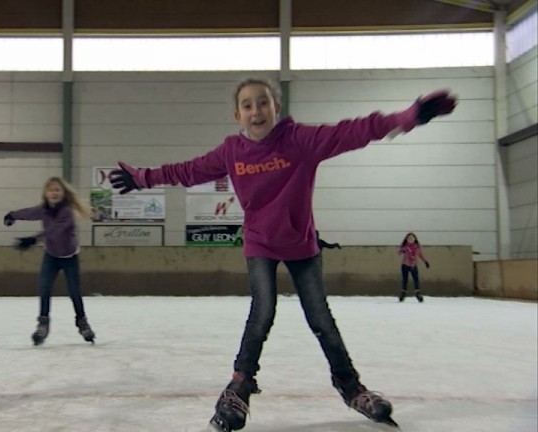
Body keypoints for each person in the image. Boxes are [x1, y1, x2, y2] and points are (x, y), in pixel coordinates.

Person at [110, 78, 456, 431]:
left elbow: (352, 131)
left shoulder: (299, 141)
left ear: (276, 107)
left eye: (263, 102)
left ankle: (351, 388)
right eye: (247, 105)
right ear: (237, 115)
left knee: (320, 319)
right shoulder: (232, 151)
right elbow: (188, 170)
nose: (256, 110)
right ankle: (239, 387)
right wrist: (143, 178)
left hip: (301, 245)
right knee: (262, 313)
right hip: (260, 242)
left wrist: (404, 117)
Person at [4, 177, 96, 345]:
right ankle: (43, 324)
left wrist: (33, 240)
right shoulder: (44, 210)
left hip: (69, 257)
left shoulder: (67, 212)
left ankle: (82, 323)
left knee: (74, 292)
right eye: (51, 190)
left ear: (63, 193)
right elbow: (30, 212)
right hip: (51, 256)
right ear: (46, 194)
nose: (54, 193)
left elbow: (54, 232)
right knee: (44, 289)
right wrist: (13, 215)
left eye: (57, 190)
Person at [398, 232, 430, 302]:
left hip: (413, 265)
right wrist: (402, 250)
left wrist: (425, 261)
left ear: (415, 239)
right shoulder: (405, 246)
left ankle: (417, 293)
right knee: (405, 280)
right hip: (405, 265)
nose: (410, 239)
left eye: (412, 238)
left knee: (416, 280)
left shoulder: (417, 247)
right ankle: (403, 294)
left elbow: (420, 255)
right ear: (406, 239)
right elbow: (399, 252)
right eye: (409, 238)